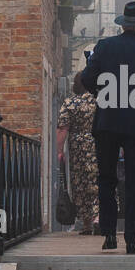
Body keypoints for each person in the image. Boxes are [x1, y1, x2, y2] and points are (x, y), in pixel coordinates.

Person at [80, 1, 135, 254]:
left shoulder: (104, 47)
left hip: (108, 122)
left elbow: (86, 79)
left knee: (107, 178)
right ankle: (133, 238)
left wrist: (103, 94)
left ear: (124, 25)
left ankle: (108, 234)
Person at [56, 71, 98, 234]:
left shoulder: (70, 103)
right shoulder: (98, 102)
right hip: (98, 144)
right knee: (99, 180)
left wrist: (60, 151)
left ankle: (86, 223)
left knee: (80, 183)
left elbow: (62, 128)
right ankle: (99, 217)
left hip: (78, 147)